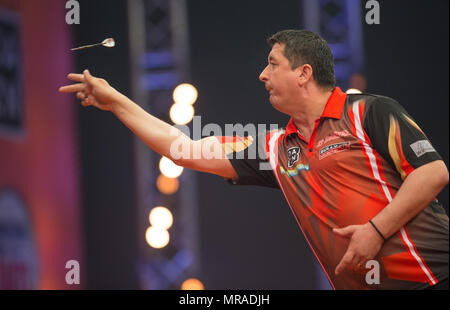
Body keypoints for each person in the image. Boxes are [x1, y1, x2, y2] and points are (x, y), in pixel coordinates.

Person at [59, 29, 449, 290]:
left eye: (273, 64)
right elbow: (183, 147)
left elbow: (433, 172)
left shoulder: (369, 112)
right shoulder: (276, 148)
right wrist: (116, 103)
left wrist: (375, 231)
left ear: (304, 74)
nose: (262, 75)